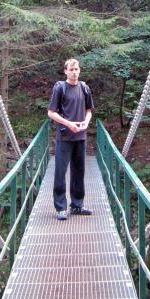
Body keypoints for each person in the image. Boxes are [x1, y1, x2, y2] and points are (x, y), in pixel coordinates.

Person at [47, 58, 94, 220]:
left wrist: (86, 123)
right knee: (60, 172)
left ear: (79, 71)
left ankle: (77, 205)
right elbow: (51, 112)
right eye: (71, 69)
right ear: (66, 71)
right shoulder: (60, 88)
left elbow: (89, 110)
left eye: (76, 69)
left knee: (79, 172)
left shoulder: (85, 88)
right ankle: (61, 207)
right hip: (65, 137)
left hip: (80, 137)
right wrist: (68, 124)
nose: (74, 72)